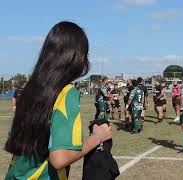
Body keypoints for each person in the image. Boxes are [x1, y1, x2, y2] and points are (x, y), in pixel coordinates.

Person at [4, 21, 112, 179]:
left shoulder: (29, 88)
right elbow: (59, 158)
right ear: (75, 57)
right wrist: (98, 137)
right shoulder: (66, 92)